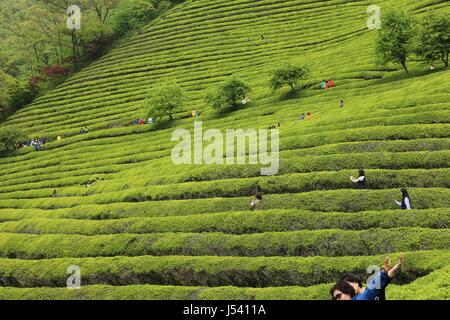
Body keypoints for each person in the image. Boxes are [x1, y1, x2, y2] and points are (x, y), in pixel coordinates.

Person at [331, 254, 404, 300]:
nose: (347, 289)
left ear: (356, 283)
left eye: (348, 285)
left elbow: (387, 277)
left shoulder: (371, 289)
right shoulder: (358, 297)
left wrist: (394, 268)